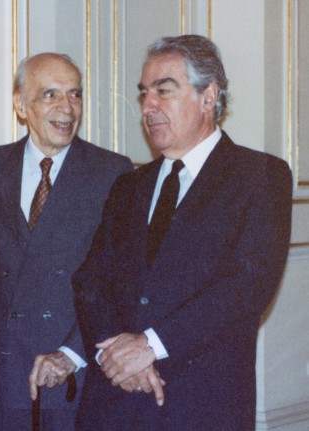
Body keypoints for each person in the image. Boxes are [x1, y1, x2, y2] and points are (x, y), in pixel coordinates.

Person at [72, 34, 293, 430]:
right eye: (144, 94)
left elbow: (246, 287)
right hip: (114, 401)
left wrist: (150, 346)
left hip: (200, 405)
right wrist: (117, 355)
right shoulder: (129, 186)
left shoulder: (260, 176)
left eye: (164, 91)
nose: (148, 106)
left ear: (209, 97)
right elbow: (90, 279)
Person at [0, 52, 133, 430]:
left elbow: (120, 281)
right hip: (5, 375)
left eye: (75, 94)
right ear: (20, 104)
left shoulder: (112, 173)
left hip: (74, 376)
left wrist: (71, 353)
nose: (67, 108)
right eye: (50, 95)